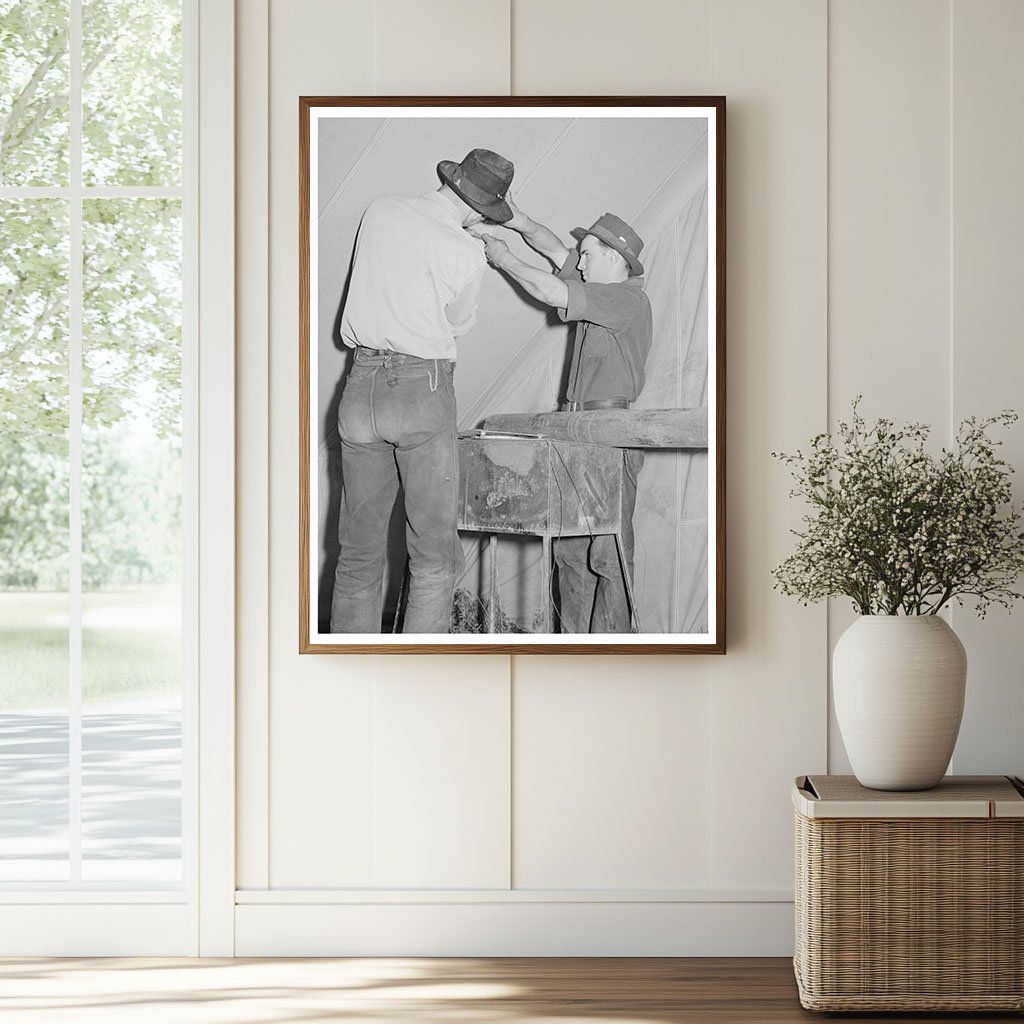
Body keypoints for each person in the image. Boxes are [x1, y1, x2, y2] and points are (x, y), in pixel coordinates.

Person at [330, 148, 515, 633]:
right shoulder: (467, 251)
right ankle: (417, 679)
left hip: (359, 387)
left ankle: (349, 674)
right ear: (479, 210)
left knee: (358, 552)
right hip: (421, 387)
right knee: (433, 556)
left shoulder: (381, 209)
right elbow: (458, 324)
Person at [474, 204, 652, 633]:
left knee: (607, 556)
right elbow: (552, 246)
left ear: (614, 257)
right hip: (574, 434)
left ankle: (613, 651)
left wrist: (504, 258)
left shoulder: (625, 299)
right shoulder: (600, 286)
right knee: (571, 552)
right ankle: (574, 647)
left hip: (607, 436)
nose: (580, 261)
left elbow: (553, 290)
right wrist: (511, 220)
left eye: (588, 254)